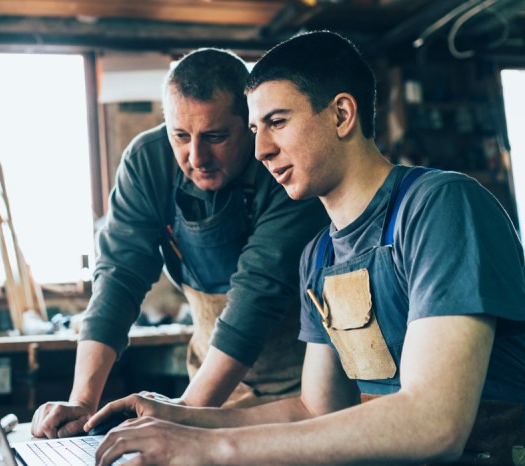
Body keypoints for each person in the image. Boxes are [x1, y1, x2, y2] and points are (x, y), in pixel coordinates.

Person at [86, 31, 525, 465]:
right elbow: (314, 409)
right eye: (256, 129)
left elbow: (435, 425)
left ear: (341, 114)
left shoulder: (440, 207)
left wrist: (209, 447)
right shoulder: (320, 256)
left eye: (277, 122)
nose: (260, 150)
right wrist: (179, 418)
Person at [31, 48, 328, 438]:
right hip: (212, 380)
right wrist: (83, 401)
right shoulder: (147, 161)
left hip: (302, 389)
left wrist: (185, 413)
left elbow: (259, 295)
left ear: (250, 126)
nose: (197, 156)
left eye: (215, 137)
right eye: (181, 136)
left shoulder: (282, 167)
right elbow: (118, 279)